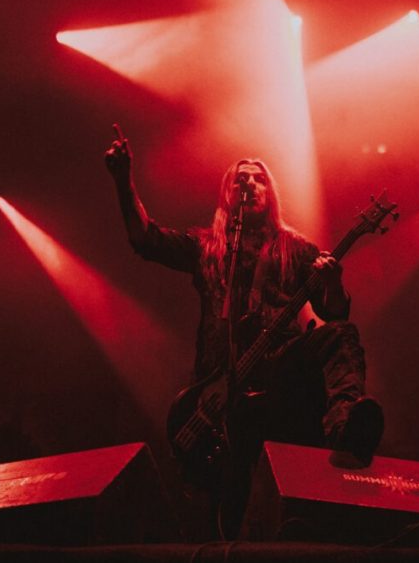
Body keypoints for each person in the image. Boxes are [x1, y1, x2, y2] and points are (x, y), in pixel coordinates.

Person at [104, 126, 383, 537]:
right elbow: (145, 239)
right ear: (227, 193)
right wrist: (123, 179)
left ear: (270, 193)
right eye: (240, 179)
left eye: (258, 179)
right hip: (220, 387)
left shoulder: (297, 249)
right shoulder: (207, 247)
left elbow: (335, 313)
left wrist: (333, 282)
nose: (249, 184)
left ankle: (345, 429)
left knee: (340, 336)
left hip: (278, 372)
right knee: (230, 506)